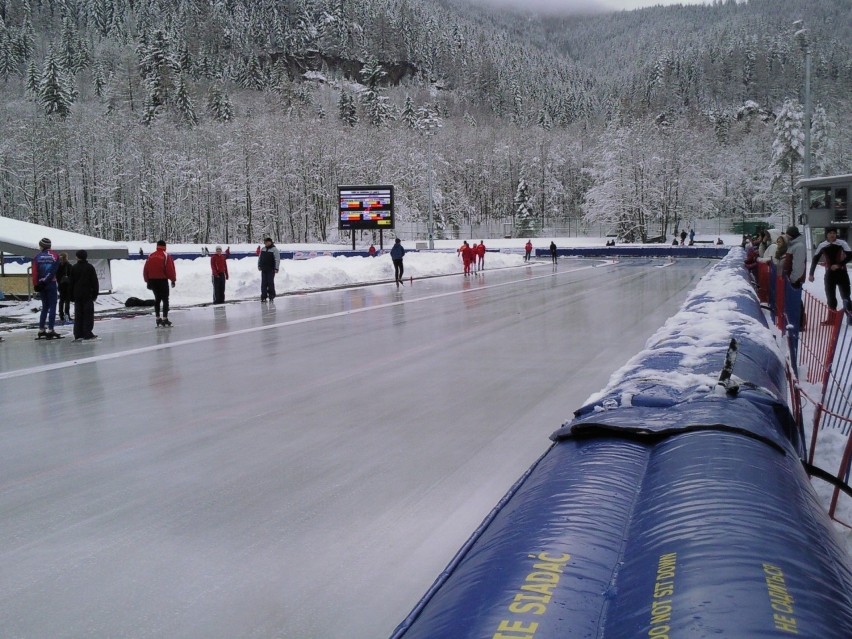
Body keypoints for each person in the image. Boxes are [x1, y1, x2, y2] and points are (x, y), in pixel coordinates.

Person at [808, 227, 851, 322]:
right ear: (826, 235)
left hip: (842, 273)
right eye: (830, 233)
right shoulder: (822, 245)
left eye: (834, 233)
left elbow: (850, 256)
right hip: (829, 274)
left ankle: (850, 316)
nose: (832, 235)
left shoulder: (842, 243)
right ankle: (832, 319)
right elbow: (815, 260)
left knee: (845, 296)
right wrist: (811, 274)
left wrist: (839, 265)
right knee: (830, 296)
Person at [143, 239, 177, 326]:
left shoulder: (150, 255)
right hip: (162, 280)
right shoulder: (166, 256)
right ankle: (165, 318)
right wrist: (173, 279)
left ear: (157, 246)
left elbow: (146, 269)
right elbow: (170, 269)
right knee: (165, 299)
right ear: (165, 246)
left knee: (157, 299)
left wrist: (147, 280)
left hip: (152, 281)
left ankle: (158, 318)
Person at [32, 237, 61, 339]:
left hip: (40, 284)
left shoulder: (37, 257)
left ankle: (41, 329)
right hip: (51, 283)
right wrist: (46, 281)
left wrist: (36, 284)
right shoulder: (55, 256)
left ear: (42, 246)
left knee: (45, 307)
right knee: (52, 306)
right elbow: (53, 271)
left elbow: (34, 272)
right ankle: (50, 329)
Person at [70, 249, 99, 340]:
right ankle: (87, 332)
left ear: (77, 257)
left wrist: (71, 295)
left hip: (77, 295)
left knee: (78, 315)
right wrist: (95, 294)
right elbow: (95, 282)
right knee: (88, 314)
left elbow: (71, 283)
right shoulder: (90, 267)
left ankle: (78, 333)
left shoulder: (74, 268)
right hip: (88, 294)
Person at [258, 237, 280, 301]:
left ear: (270, 242)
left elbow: (277, 259)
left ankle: (271, 295)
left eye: (267, 242)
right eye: (265, 242)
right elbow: (260, 258)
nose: (266, 243)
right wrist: (259, 266)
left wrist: (276, 268)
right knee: (264, 283)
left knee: (270, 283)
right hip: (264, 269)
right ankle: (263, 296)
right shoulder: (263, 249)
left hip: (271, 269)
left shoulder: (274, 249)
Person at [56, 251, 73, 323]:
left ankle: (61, 314)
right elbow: (72, 276)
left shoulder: (58, 266)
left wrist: (59, 282)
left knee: (61, 300)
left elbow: (57, 276)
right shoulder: (69, 265)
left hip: (61, 285)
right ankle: (67, 314)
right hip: (67, 286)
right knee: (67, 301)